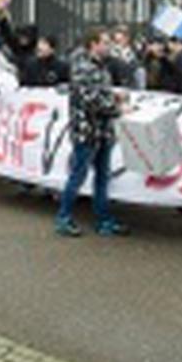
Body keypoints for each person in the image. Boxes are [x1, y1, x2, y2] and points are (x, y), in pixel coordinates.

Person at [54, 29, 128, 238]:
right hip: (87, 131)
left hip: (101, 130)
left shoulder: (98, 66)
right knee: (79, 175)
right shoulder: (83, 68)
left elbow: (97, 94)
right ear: (93, 44)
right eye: (105, 42)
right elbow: (91, 99)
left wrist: (113, 96)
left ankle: (103, 219)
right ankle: (63, 217)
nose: (109, 46)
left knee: (102, 177)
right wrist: (117, 107)